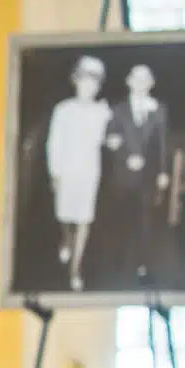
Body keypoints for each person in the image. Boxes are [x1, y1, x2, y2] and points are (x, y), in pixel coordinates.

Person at [97, 62, 173, 290]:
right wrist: (123, 153)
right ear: (129, 82)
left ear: (151, 84)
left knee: (145, 221)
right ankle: (117, 264)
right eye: (136, 79)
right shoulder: (118, 110)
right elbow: (109, 138)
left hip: (147, 178)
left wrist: (162, 171)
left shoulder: (159, 110)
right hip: (122, 176)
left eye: (145, 79)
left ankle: (142, 266)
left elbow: (162, 144)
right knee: (120, 219)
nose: (141, 84)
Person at [45, 54, 111, 290]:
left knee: (83, 220)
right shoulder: (63, 110)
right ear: (76, 81)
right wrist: (55, 172)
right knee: (64, 217)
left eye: (94, 82)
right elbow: (54, 142)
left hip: (89, 172)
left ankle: (75, 269)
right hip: (66, 170)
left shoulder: (102, 112)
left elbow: (109, 137)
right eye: (84, 80)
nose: (88, 86)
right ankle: (66, 240)